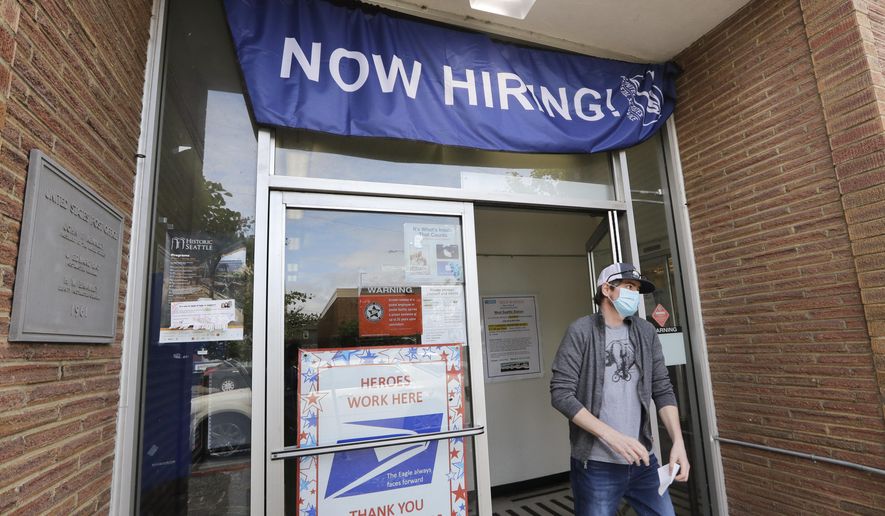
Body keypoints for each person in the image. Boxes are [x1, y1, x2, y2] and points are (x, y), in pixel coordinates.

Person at [550, 263, 690, 515]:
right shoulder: (581, 331)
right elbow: (561, 394)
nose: (634, 294)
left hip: (643, 460)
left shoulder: (646, 331)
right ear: (607, 289)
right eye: (628, 287)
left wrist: (678, 442)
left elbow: (662, 388)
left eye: (637, 289)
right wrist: (611, 436)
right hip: (596, 464)